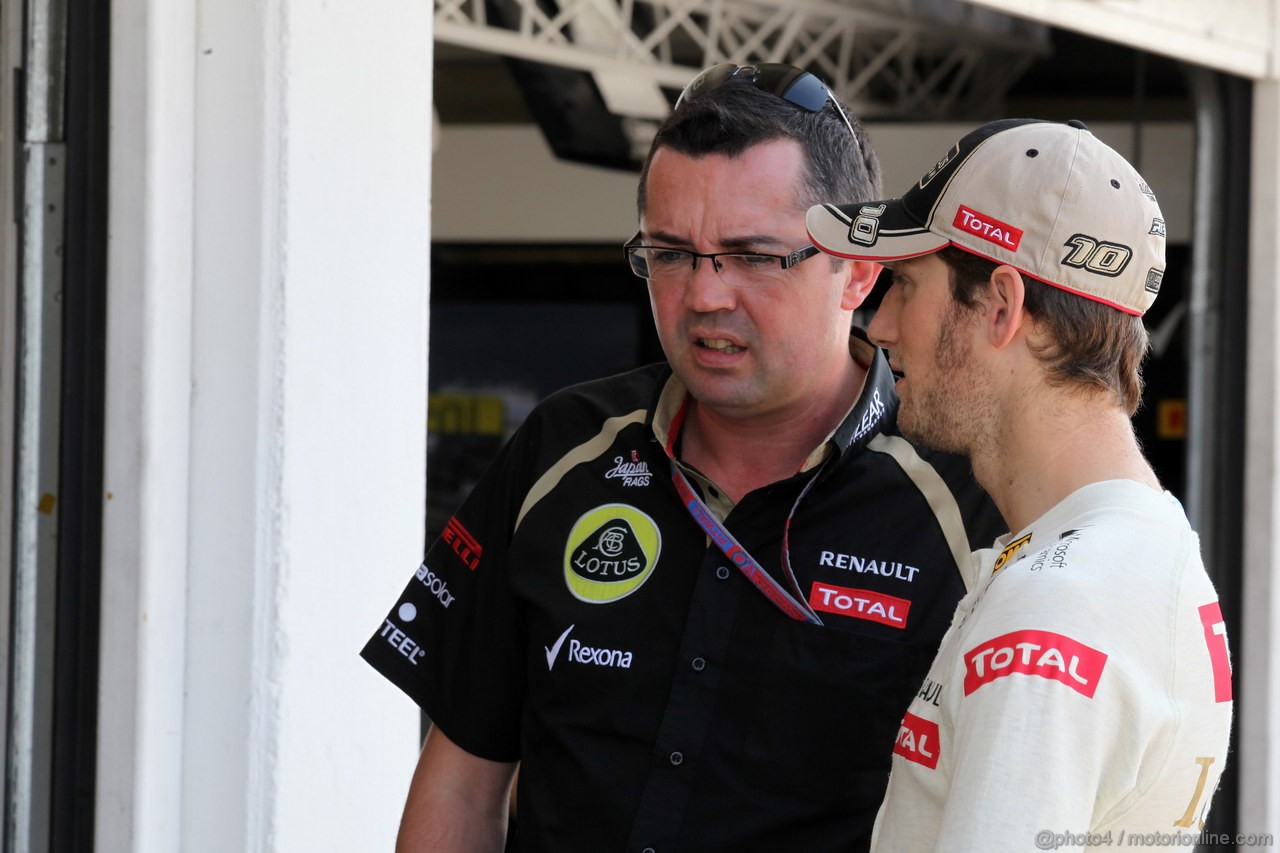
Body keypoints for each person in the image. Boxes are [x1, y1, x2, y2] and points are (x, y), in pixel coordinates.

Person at [362, 63, 1004, 852]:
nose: (704, 296)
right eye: (670, 252)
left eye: (754, 256)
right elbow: (461, 781)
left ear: (859, 270)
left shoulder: (966, 506)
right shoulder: (565, 447)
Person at [806, 118, 1234, 850]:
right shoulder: (1147, 552)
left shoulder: (1053, 608)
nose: (879, 326)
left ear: (1001, 307)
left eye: (905, 285)